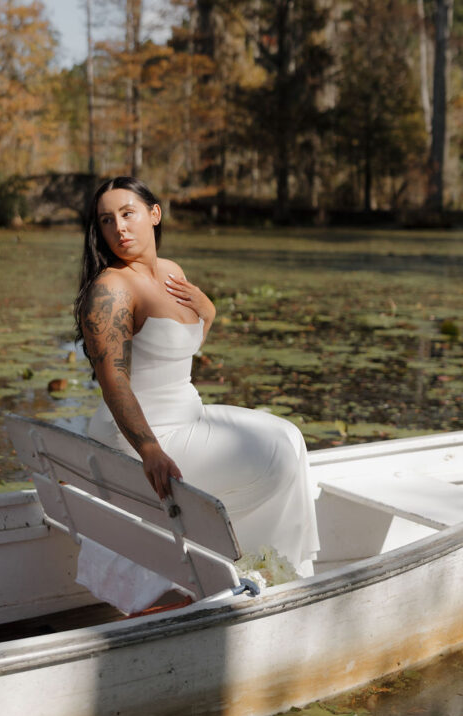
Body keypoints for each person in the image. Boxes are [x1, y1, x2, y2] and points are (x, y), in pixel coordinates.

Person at [74, 176, 319, 577]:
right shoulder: (111, 289)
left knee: (289, 436)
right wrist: (150, 450)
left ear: (154, 214)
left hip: (189, 415)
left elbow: (177, 350)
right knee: (275, 455)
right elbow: (112, 381)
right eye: (106, 220)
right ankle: (251, 566)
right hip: (142, 435)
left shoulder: (171, 271)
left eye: (127, 213)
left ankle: (272, 566)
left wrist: (209, 312)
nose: (118, 227)